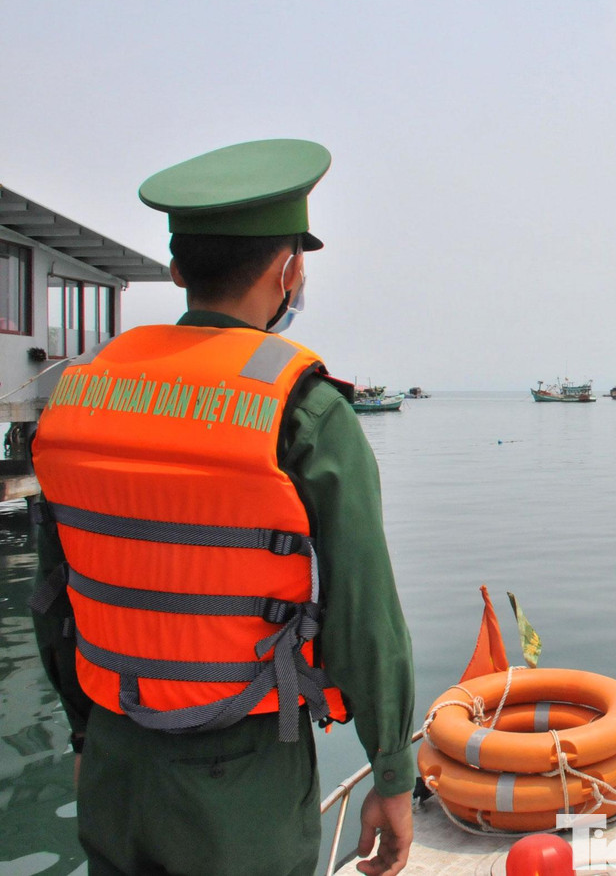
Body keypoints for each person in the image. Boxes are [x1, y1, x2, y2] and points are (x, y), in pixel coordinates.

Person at [28, 139, 416, 876]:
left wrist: (86, 738)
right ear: (290, 268)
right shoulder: (303, 409)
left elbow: (56, 600)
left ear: (177, 270)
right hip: (240, 781)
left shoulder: (76, 395)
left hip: (115, 761)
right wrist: (393, 773)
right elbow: (366, 616)